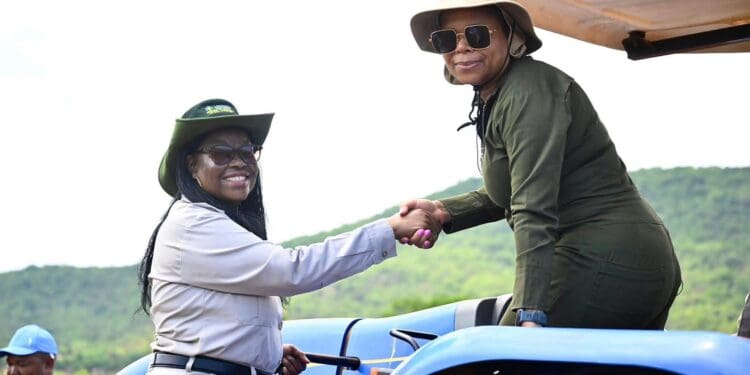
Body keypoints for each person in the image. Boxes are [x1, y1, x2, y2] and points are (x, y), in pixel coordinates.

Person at [401, 0, 682, 329]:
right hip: (624, 256)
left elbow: (531, 205)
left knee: (497, 358)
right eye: (447, 39)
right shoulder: (501, 94)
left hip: (605, 255)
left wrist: (530, 311)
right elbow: (515, 187)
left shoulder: (528, 92)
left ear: (512, 37)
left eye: (477, 35)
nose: (461, 47)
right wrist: (444, 212)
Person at [137, 98, 433, 375]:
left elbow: (219, 325)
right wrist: (390, 229)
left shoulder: (219, 225)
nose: (239, 162)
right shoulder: (194, 223)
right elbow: (292, 270)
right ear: (191, 165)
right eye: (221, 154)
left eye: (247, 151)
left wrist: (267, 353)